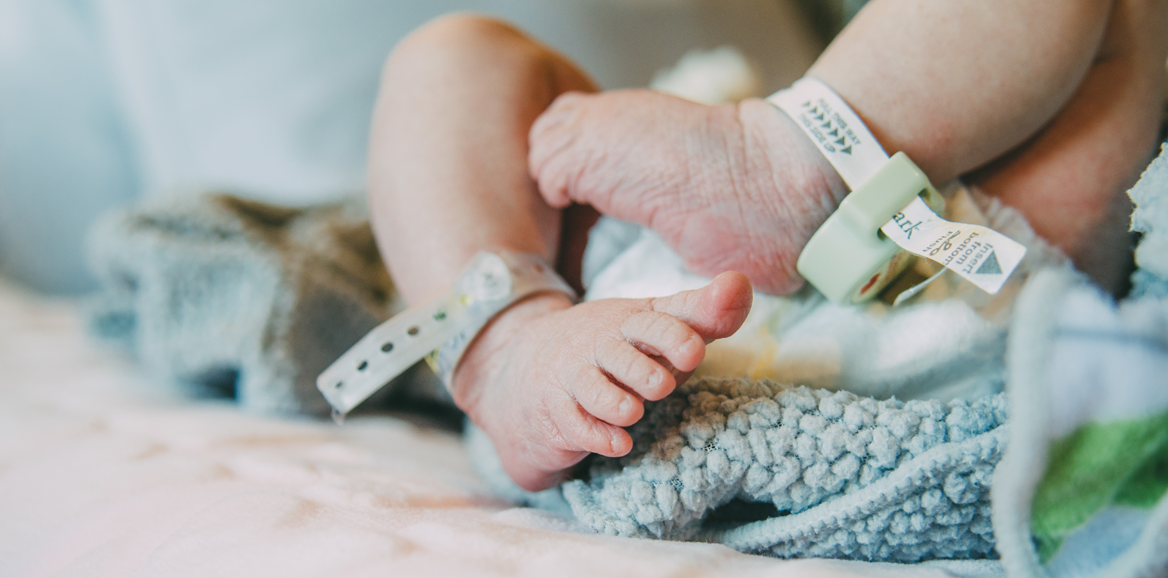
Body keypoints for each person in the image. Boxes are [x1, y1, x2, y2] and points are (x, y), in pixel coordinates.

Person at [367, 0, 1168, 491]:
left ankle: (786, 162)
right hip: (588, 317)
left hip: (950, 274)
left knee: (450, 55)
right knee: (457, 54)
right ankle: (508, 344)